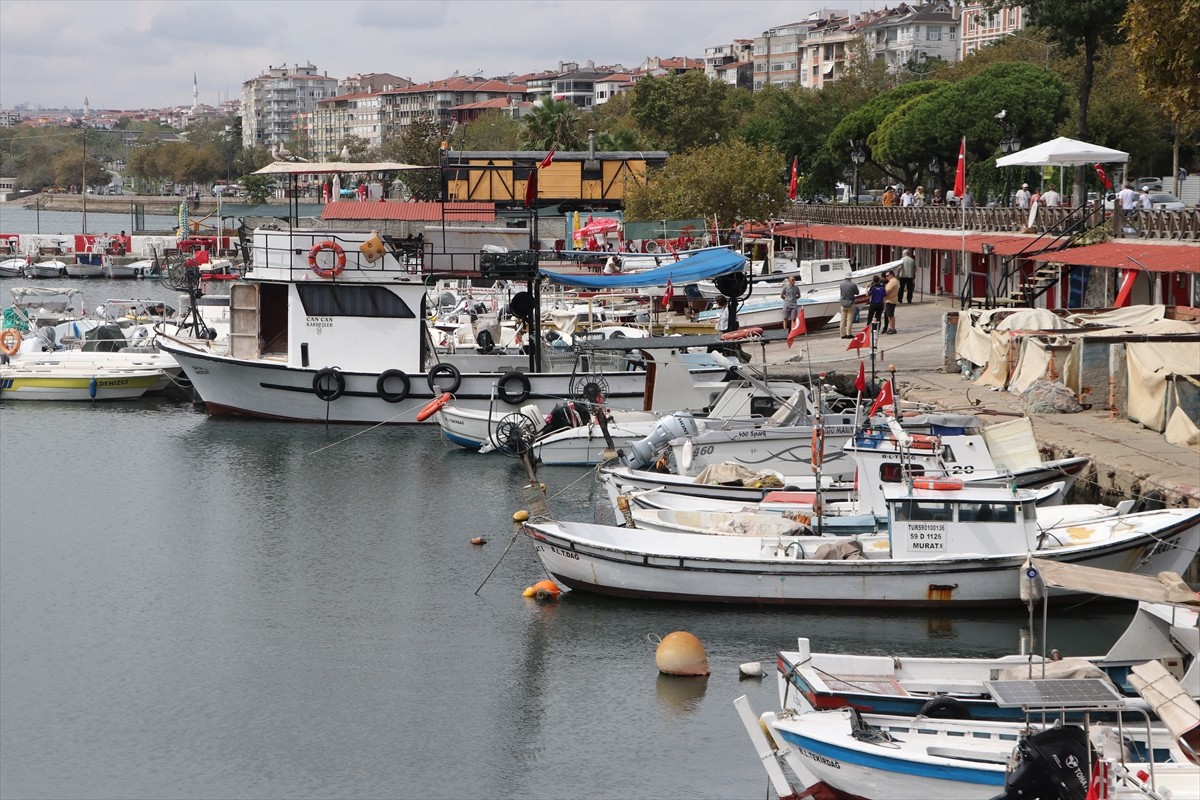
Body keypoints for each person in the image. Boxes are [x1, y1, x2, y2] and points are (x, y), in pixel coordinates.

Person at [838, 274, 859, 339]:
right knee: (849, 319)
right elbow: (857, 292)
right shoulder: (853, 285)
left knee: (842, 319)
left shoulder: (841, 284)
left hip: (843, 303)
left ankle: (842, 334)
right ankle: (849, 334)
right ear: (850, 278)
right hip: (850, 303)